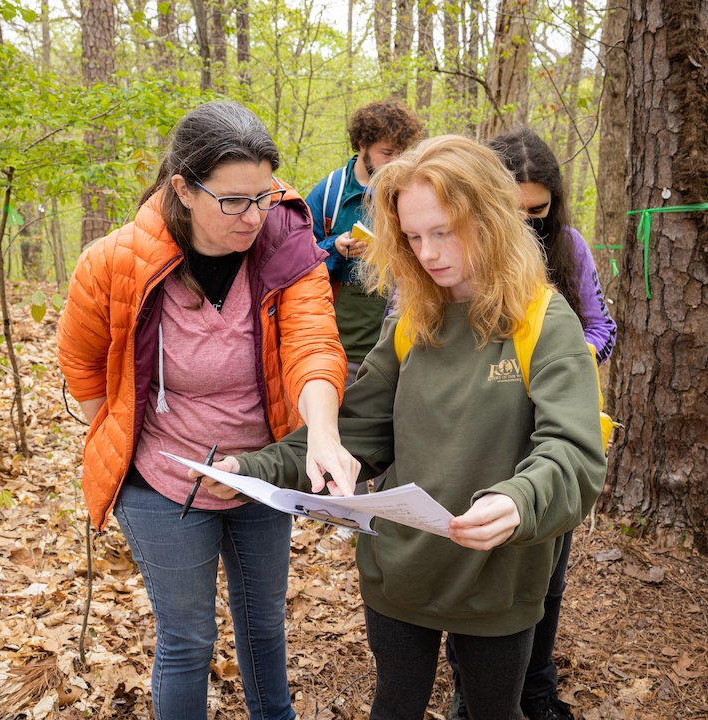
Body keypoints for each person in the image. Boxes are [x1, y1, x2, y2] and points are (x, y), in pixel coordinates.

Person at [197, 135, 607, 720]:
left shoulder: (543, 321)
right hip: (400, 573)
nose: (429, 253)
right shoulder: (417, 317)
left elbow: (572, 451)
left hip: (496, 575)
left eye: (444, 231)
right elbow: (361, 429)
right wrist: (251, 468)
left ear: (491, 218)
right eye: (413, 237)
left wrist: (520, 500)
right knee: (395, 705)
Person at [56, 100, 358, 720]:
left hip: (260, 474)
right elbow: (83, 365)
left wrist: (322, 437)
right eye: (232, 201)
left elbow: (312, 345)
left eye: (263, 196)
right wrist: (121, 435)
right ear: (182, 190)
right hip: (161, 484)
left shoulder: (286, 247)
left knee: (264, 626)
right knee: (189, 638)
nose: (252, 216)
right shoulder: (116, 263)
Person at [444, 127, 619, 720]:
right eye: (509, 212)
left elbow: (602, 329)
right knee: (469, 561)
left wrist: (556, 364)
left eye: (537, 212)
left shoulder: (568, 246)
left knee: (546, 569)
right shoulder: (455, 255)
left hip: (553, 430)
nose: (525, 226)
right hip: (474, 431)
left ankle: (534, 688)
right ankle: (473, 689)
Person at [305, 100, 423, 389]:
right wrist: (336, 246)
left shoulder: (408, 192)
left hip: (398, 346)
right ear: (361, 144)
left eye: (401, 153)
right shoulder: (329, 192)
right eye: (386, 153)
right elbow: (296, 261)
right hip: (338, 347)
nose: (395, 162)